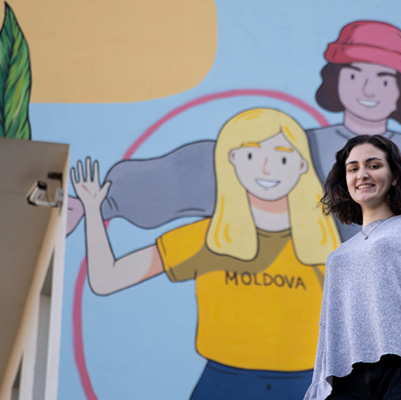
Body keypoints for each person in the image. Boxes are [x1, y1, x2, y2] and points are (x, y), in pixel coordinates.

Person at [67, 20, 401, 237]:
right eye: (354, 74)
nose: (368, 89)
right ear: (336, 83)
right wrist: (104, 203)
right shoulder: (294, 147)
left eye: (383, 78)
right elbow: (203, 167)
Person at [71, 108, 341, 400]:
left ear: (301, 165)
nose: (266, 169)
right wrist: (93, 212)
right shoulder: (209, 237)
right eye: (251, 156)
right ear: (232, 159)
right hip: (224, 383)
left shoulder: (326, 246)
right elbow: (107, 279)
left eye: (282, 158)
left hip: (306, 385)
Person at [305, 135, 401, 400]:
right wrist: (317, 390)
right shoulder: (338, 256)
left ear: (395, 176)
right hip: (345, 379)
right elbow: (328, 329)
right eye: (353, 168)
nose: (362, 174)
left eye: (374, 165)